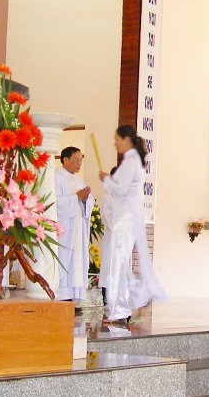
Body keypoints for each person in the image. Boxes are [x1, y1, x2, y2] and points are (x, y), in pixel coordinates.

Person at [98, 125, 167, 323]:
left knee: (118, 263)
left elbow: (120, 189)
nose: (115, 143)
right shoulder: (132, 160)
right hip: (126, 215)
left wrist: (106, 179)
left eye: (117, 139)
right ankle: (121, 305)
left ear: (126, 139)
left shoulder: (130, 161)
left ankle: (120, 309)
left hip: (125, 217)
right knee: (119, 264)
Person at [54, 147, 94, 303]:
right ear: (65, 159)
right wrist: (76, 197)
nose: (79, 164)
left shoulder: (78, 180)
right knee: (64, 259)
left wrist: (85, 200)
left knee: (76, 261)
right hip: (64, 229)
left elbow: (88, 203)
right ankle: (61, 294)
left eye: (80, 161)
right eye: (75, 160)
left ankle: (73, 296)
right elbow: (55, 202)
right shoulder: (56, 177)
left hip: (78, 229)